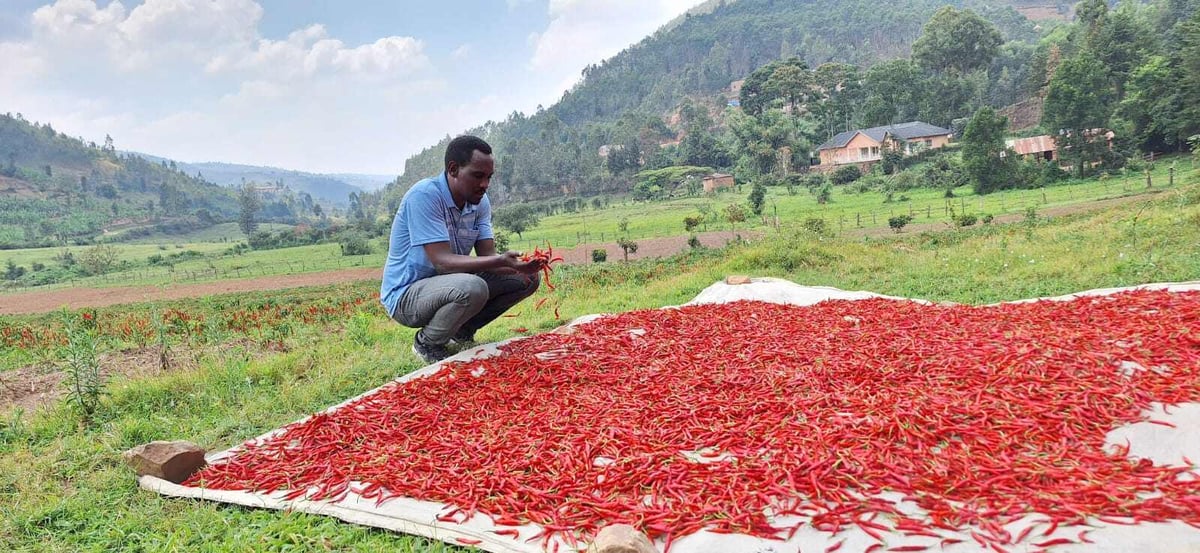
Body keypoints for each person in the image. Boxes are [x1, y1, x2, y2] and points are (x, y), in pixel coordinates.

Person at [380, 135, 543, 363]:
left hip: (450, 285)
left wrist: (520, 266)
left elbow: (487, 256)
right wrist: (500, 261)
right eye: (477, 176)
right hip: (406, 295)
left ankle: (461, 331)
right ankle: (427, 343)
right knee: (473, 287)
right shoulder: (425, 196)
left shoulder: (479, 203)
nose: (485, 185)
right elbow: (443, 262)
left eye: (489, 177)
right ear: (453, 169)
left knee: (526, 279)